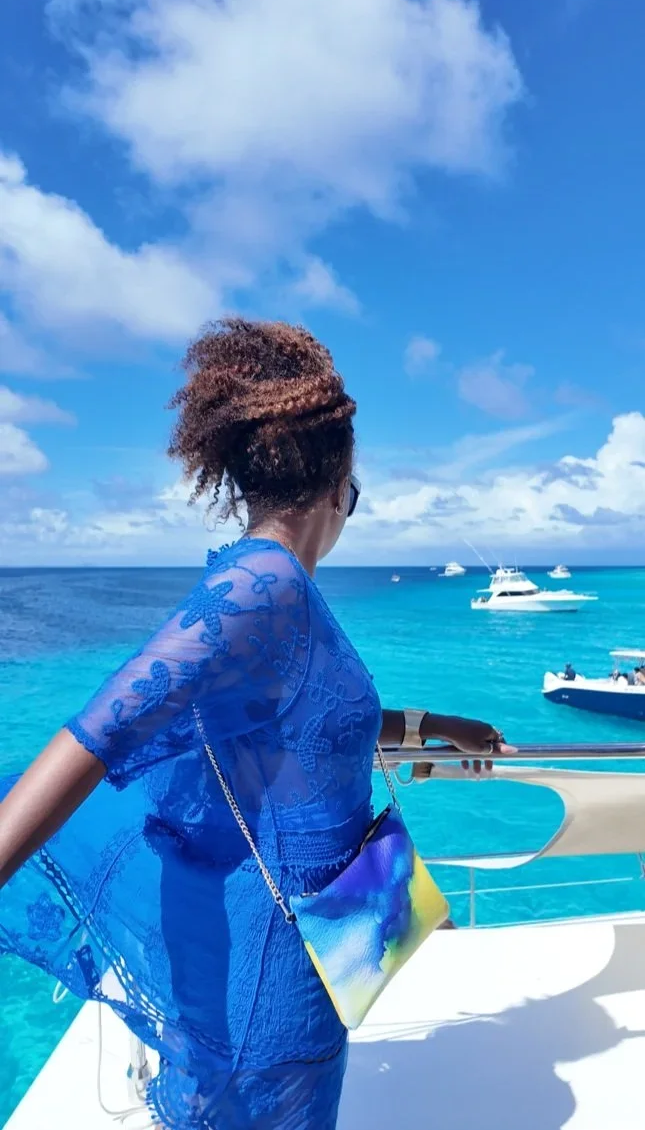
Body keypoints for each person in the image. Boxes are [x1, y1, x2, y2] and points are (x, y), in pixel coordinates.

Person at [0, 319, 514, 1130]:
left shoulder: (277, 592)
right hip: (274, 986)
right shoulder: (261, 587)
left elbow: (310, 727)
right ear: (340, 478)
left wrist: (441, 722)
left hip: (315, 957)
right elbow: (97, 733)